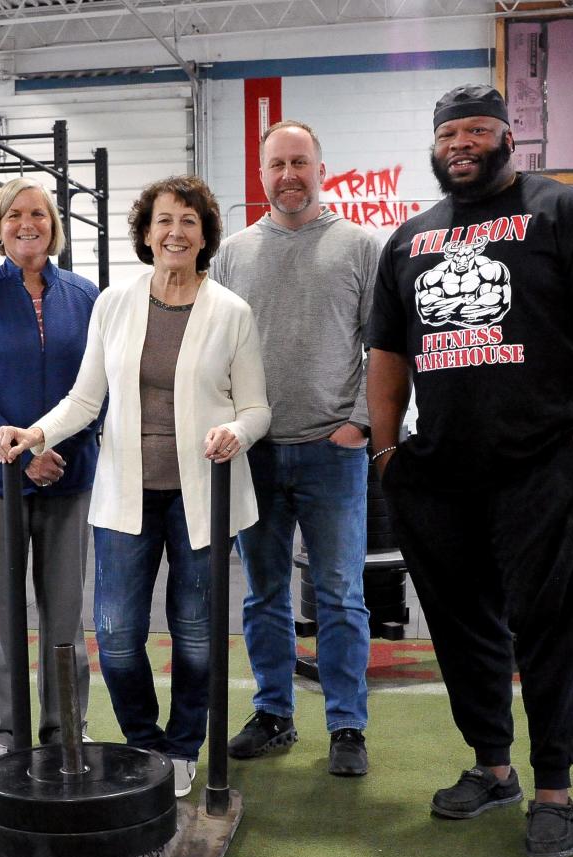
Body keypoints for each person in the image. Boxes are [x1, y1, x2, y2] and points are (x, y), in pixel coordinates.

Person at [365, 84, 573, 857]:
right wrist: (387, 450)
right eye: (449, 133)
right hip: (440, 472)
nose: (461, 143)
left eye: (477, 130)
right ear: (434, 147)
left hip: (543, 465)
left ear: (508, 137)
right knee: (463, 631)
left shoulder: (567, 213)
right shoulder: (409, 239)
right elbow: (388, 352)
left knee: (549, 631)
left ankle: (554, 788)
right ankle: (492, 769)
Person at [0, 176, 270, 797]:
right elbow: (85, 399)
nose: (176, 232)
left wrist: (236, 432)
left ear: (205, 237)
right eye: (164, 220)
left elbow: (257, 408)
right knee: (117, 635)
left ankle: (182, 747)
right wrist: (35, 434)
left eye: (189, 222)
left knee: (196, 633)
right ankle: (144, 745)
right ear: (146, 233)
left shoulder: (231, 312)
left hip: (204, 492)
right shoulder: (114, 303)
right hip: (126, 492)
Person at [212, 120, 380, 777]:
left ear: (321, 169)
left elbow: (385, 347)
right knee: (263, 596)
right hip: (254, 454)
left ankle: (347, 727)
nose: (289, 174)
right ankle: (274, 714)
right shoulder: (231, 254)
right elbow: (214, 353)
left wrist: (361, 425)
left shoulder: (361, 247)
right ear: (261, 175)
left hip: (333, 450)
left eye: (300, 162)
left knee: (340, 595)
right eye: (277, 163)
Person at [0, 178, 101, 770]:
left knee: (64, 608)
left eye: (38, 213)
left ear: (54, 224)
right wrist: (16, 449)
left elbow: (97, 389)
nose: (26, 223)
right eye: (14, 214)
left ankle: (66, 725)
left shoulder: (85, 296)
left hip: (68, 474)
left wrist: (53, 447)